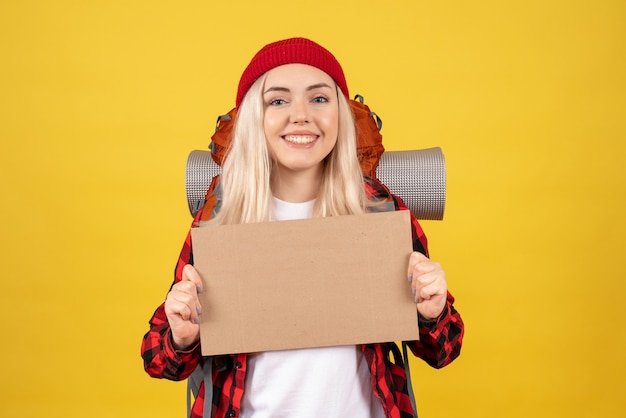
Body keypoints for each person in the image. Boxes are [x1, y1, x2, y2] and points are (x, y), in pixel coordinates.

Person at [141, 37, 464, 418]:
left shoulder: (377, 210)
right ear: (253, 120)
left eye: (319, 98)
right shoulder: (222, 217)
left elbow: (445, 349)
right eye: (278, 100)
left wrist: (432, 310)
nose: (301, 115)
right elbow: (158, 360)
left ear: (342, 115)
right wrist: (182, 336)